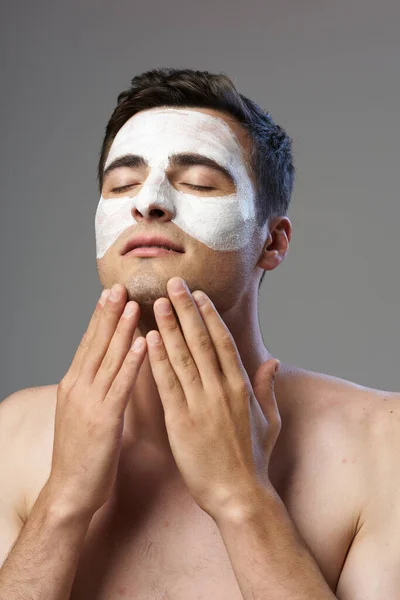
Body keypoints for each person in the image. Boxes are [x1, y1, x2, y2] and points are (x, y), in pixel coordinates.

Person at [0, 67, 398, 600]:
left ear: (272, 242)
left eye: (199, 182)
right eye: (122, 184)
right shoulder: (12, 436)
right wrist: (64, 500)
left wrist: (244, 500)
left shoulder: (382, 444)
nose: (148, 202)